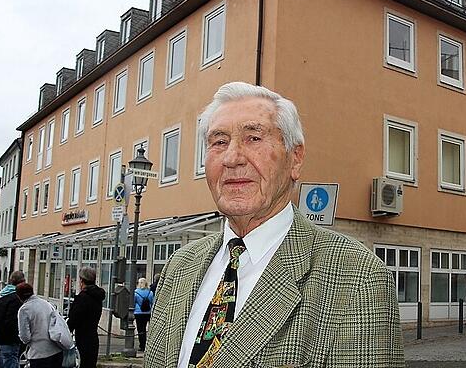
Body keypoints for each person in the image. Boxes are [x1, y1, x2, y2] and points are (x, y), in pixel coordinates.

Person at [144, 82, 403, 367]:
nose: (232, 158)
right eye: (219, 142)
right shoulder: (179, 266)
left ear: (296, 158)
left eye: (253, 138)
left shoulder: (357, 277)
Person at [16, 283, 63, 368]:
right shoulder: (47, 304)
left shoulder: (24, 310)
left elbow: (25, 337)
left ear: (19, 296)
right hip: (56, 350)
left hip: (39, 354)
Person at [68, 267, 106, 368]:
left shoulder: (83, 298)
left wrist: (67, 329)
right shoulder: (97, 296)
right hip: (93, 336)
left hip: (83, 337)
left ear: (82, 280)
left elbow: (73, 318)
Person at [0, 271, 26, 368]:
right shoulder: (16, 298)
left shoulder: (1, 294)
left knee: (6, 360)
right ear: (22, 282)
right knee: (11, 360)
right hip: (11, 338)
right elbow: (12, 321)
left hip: (0, 336)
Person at [134, 278, 155, 352]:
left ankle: (142, 345)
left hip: (138, 312)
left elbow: (133, 302)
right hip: (147, 313)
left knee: (140, 329)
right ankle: (147, 344)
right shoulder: (150, 293)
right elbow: (152, 303)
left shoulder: (136, 292)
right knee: (147, 329)